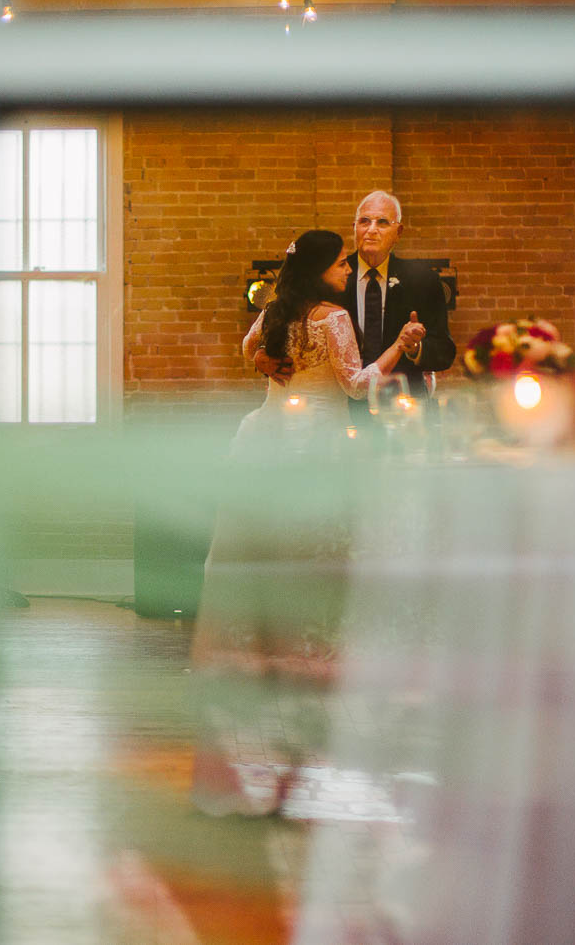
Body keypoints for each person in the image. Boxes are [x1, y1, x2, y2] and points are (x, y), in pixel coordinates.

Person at [189, 229, 425, 818]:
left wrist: (272, 363)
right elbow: (358, 384)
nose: (350, 268)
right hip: (318, 451)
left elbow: (253, 354)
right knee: (322, 584)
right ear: (322, 269)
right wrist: (398, 344)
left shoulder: (272, 312)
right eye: (344, 261)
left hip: (264, 446)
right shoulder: (334, 318)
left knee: (260, 575)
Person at [251, 191, 455, 424]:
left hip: (402, 408)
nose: (371, 229)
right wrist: (262, 353)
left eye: (382, 222)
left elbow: (445, 352)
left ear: (398, 232)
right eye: (364, 221)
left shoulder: (422, 280)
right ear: (354, 227)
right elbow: (288, 317)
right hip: (342, 411)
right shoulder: (331, 277)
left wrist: (415, 347)